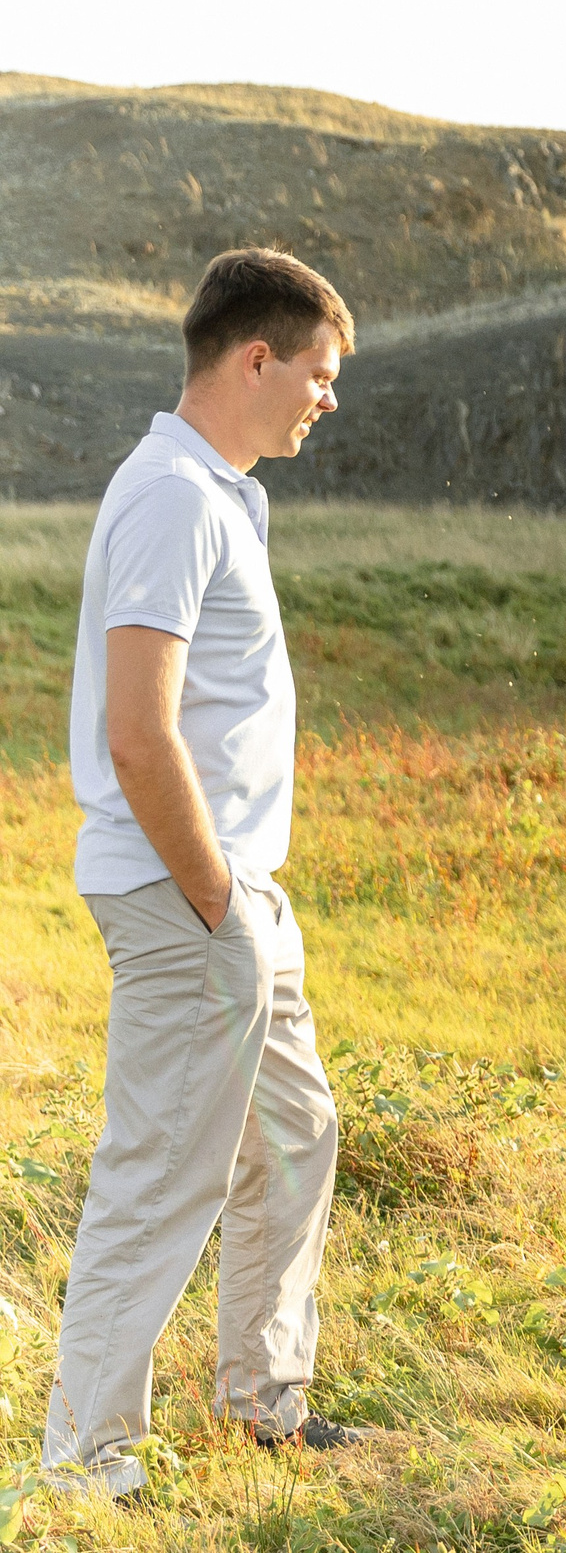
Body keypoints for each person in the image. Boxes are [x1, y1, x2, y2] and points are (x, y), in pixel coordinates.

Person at [47, 249, 364, 1498]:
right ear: (255, 359)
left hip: (235, 893)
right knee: (162, 1170)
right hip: (193, 896)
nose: (325, 398)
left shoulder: (224, 490)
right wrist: (219, 903)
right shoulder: (175, 495)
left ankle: (263, 1405)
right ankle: (84, 1468)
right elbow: (140, 729)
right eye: (319, 374)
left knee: (295, 1132)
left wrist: (244, 899)